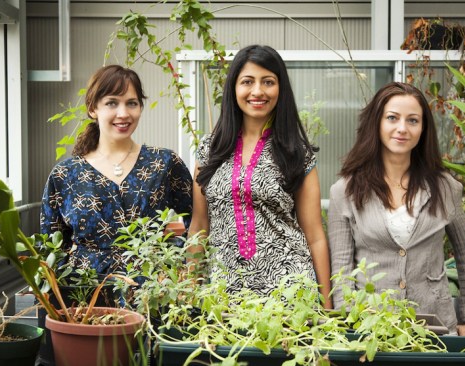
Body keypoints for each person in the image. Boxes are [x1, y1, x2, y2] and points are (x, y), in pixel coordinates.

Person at [328, 82, 465, 338]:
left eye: (413, 120)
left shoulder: (445, 187)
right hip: (370, 332)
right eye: (392, 118)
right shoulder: (344, 191)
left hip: (435, 329)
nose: (402, 128)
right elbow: (341, 270)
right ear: (377, 123)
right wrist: (349, 327)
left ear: (423, 128)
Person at [189, 45, 332, 308]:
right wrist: (188, 297)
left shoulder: (296, 153)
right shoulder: (210, 150)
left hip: (290, 297)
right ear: (234, 88)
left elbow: (315, 234)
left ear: (281, 89)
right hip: (223, 297)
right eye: (247, 81)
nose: (258, 91)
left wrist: (328, 307)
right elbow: (199, 226)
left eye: (268, 82)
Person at [40, 65, 193, 275]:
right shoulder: (66, 174)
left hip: (153, 294)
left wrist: (181, 266)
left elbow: (197, 222)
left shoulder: (164, 163)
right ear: (93, 108)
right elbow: (51, 249)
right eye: (111, 103)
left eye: (132, 103)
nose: (123, 114)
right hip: (87, 293)